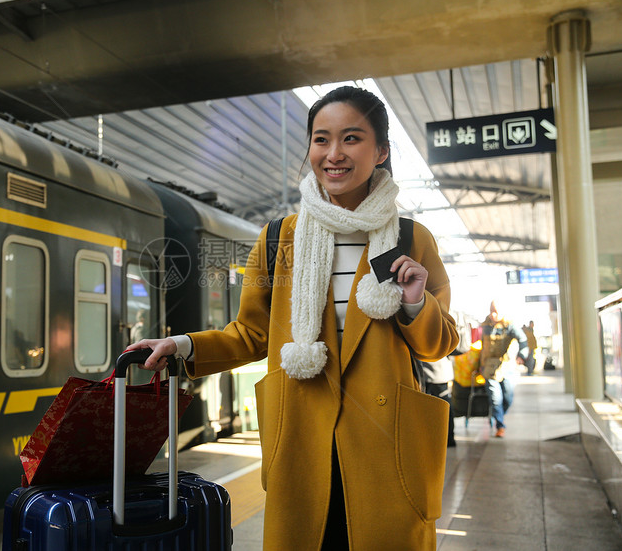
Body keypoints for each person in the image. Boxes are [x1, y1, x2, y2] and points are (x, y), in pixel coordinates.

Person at [129, 86, 459, 550]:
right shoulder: (277, 240)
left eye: (352, 138)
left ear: (381, 150)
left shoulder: (410, 238)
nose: (334, 154)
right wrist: (183, 345)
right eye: (321, 139)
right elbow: (250, 333)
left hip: (388, 446)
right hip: (302, 437)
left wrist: (415, 301)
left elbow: (440, 343)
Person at [479, 300, 529, 438]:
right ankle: (500, 425)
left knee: (507, 397)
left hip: (506, 367)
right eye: (491, 311)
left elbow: (523, 340)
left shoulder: (510, 326)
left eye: (496, 311)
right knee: (496, 398)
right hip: (489, 368)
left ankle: (497, 416)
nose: (493, 314)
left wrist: (521, 356)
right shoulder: (484, 326)